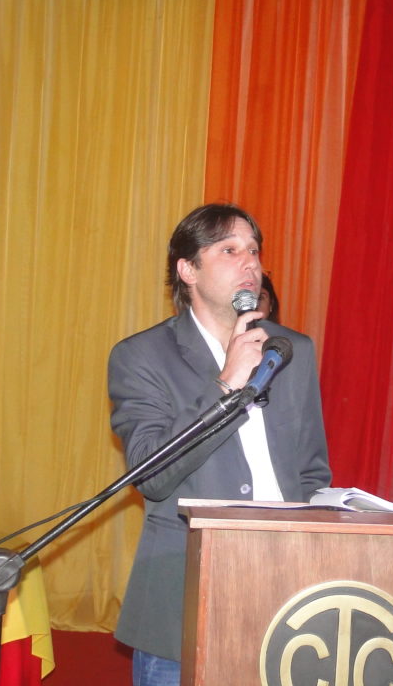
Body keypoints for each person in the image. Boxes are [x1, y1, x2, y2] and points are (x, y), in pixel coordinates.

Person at [108, 203, 331, 686]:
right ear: (187, 270)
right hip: (186, 596)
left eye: (254, 250)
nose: (250, 261)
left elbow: (312, 471)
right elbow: (151, 474)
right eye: (229, 250)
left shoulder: (293, 349)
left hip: (285, 591)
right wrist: (227, 383)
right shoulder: (141, 356)